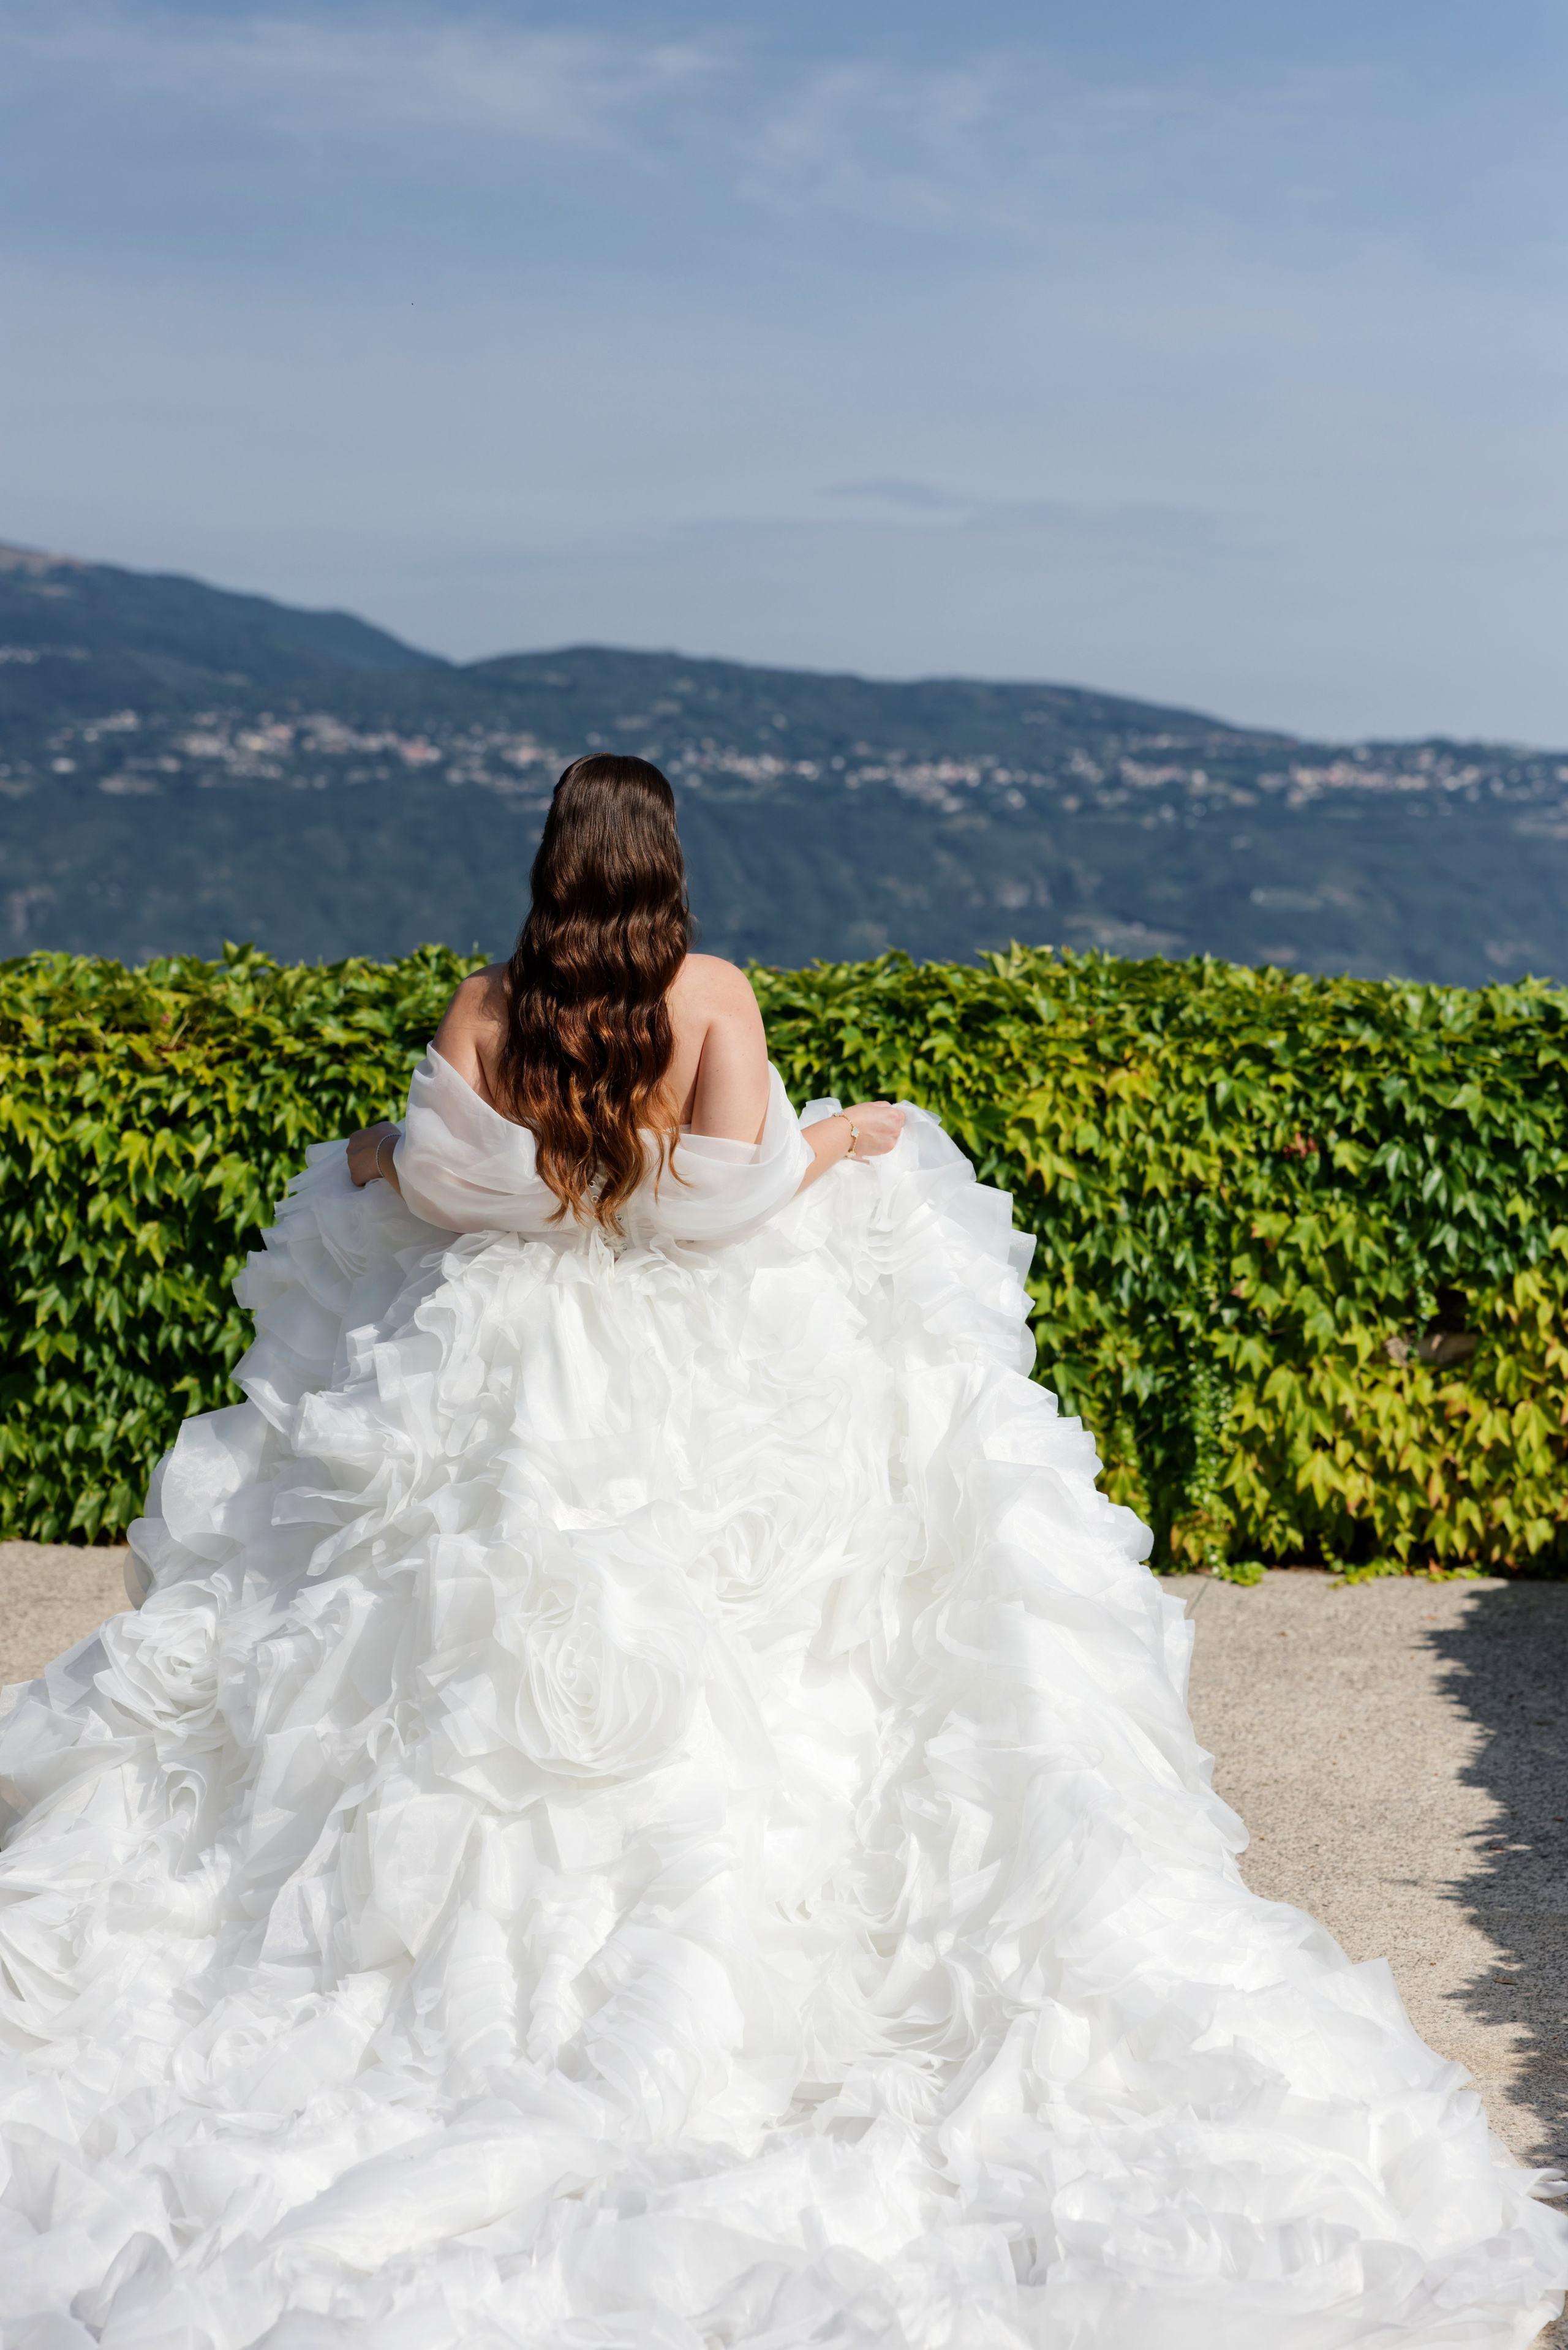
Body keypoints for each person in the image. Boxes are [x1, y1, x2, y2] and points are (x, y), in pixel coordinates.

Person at [0, 753, 1561, 2349]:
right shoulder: (708, 995)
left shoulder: (487, 1005)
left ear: (553, 866)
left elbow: (462, 1178)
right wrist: (834, 1144)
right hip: (677, 1364)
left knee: (397, 1660)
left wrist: (393, 1167)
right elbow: (718, 1205)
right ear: (661, 865)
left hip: (501, 1371)